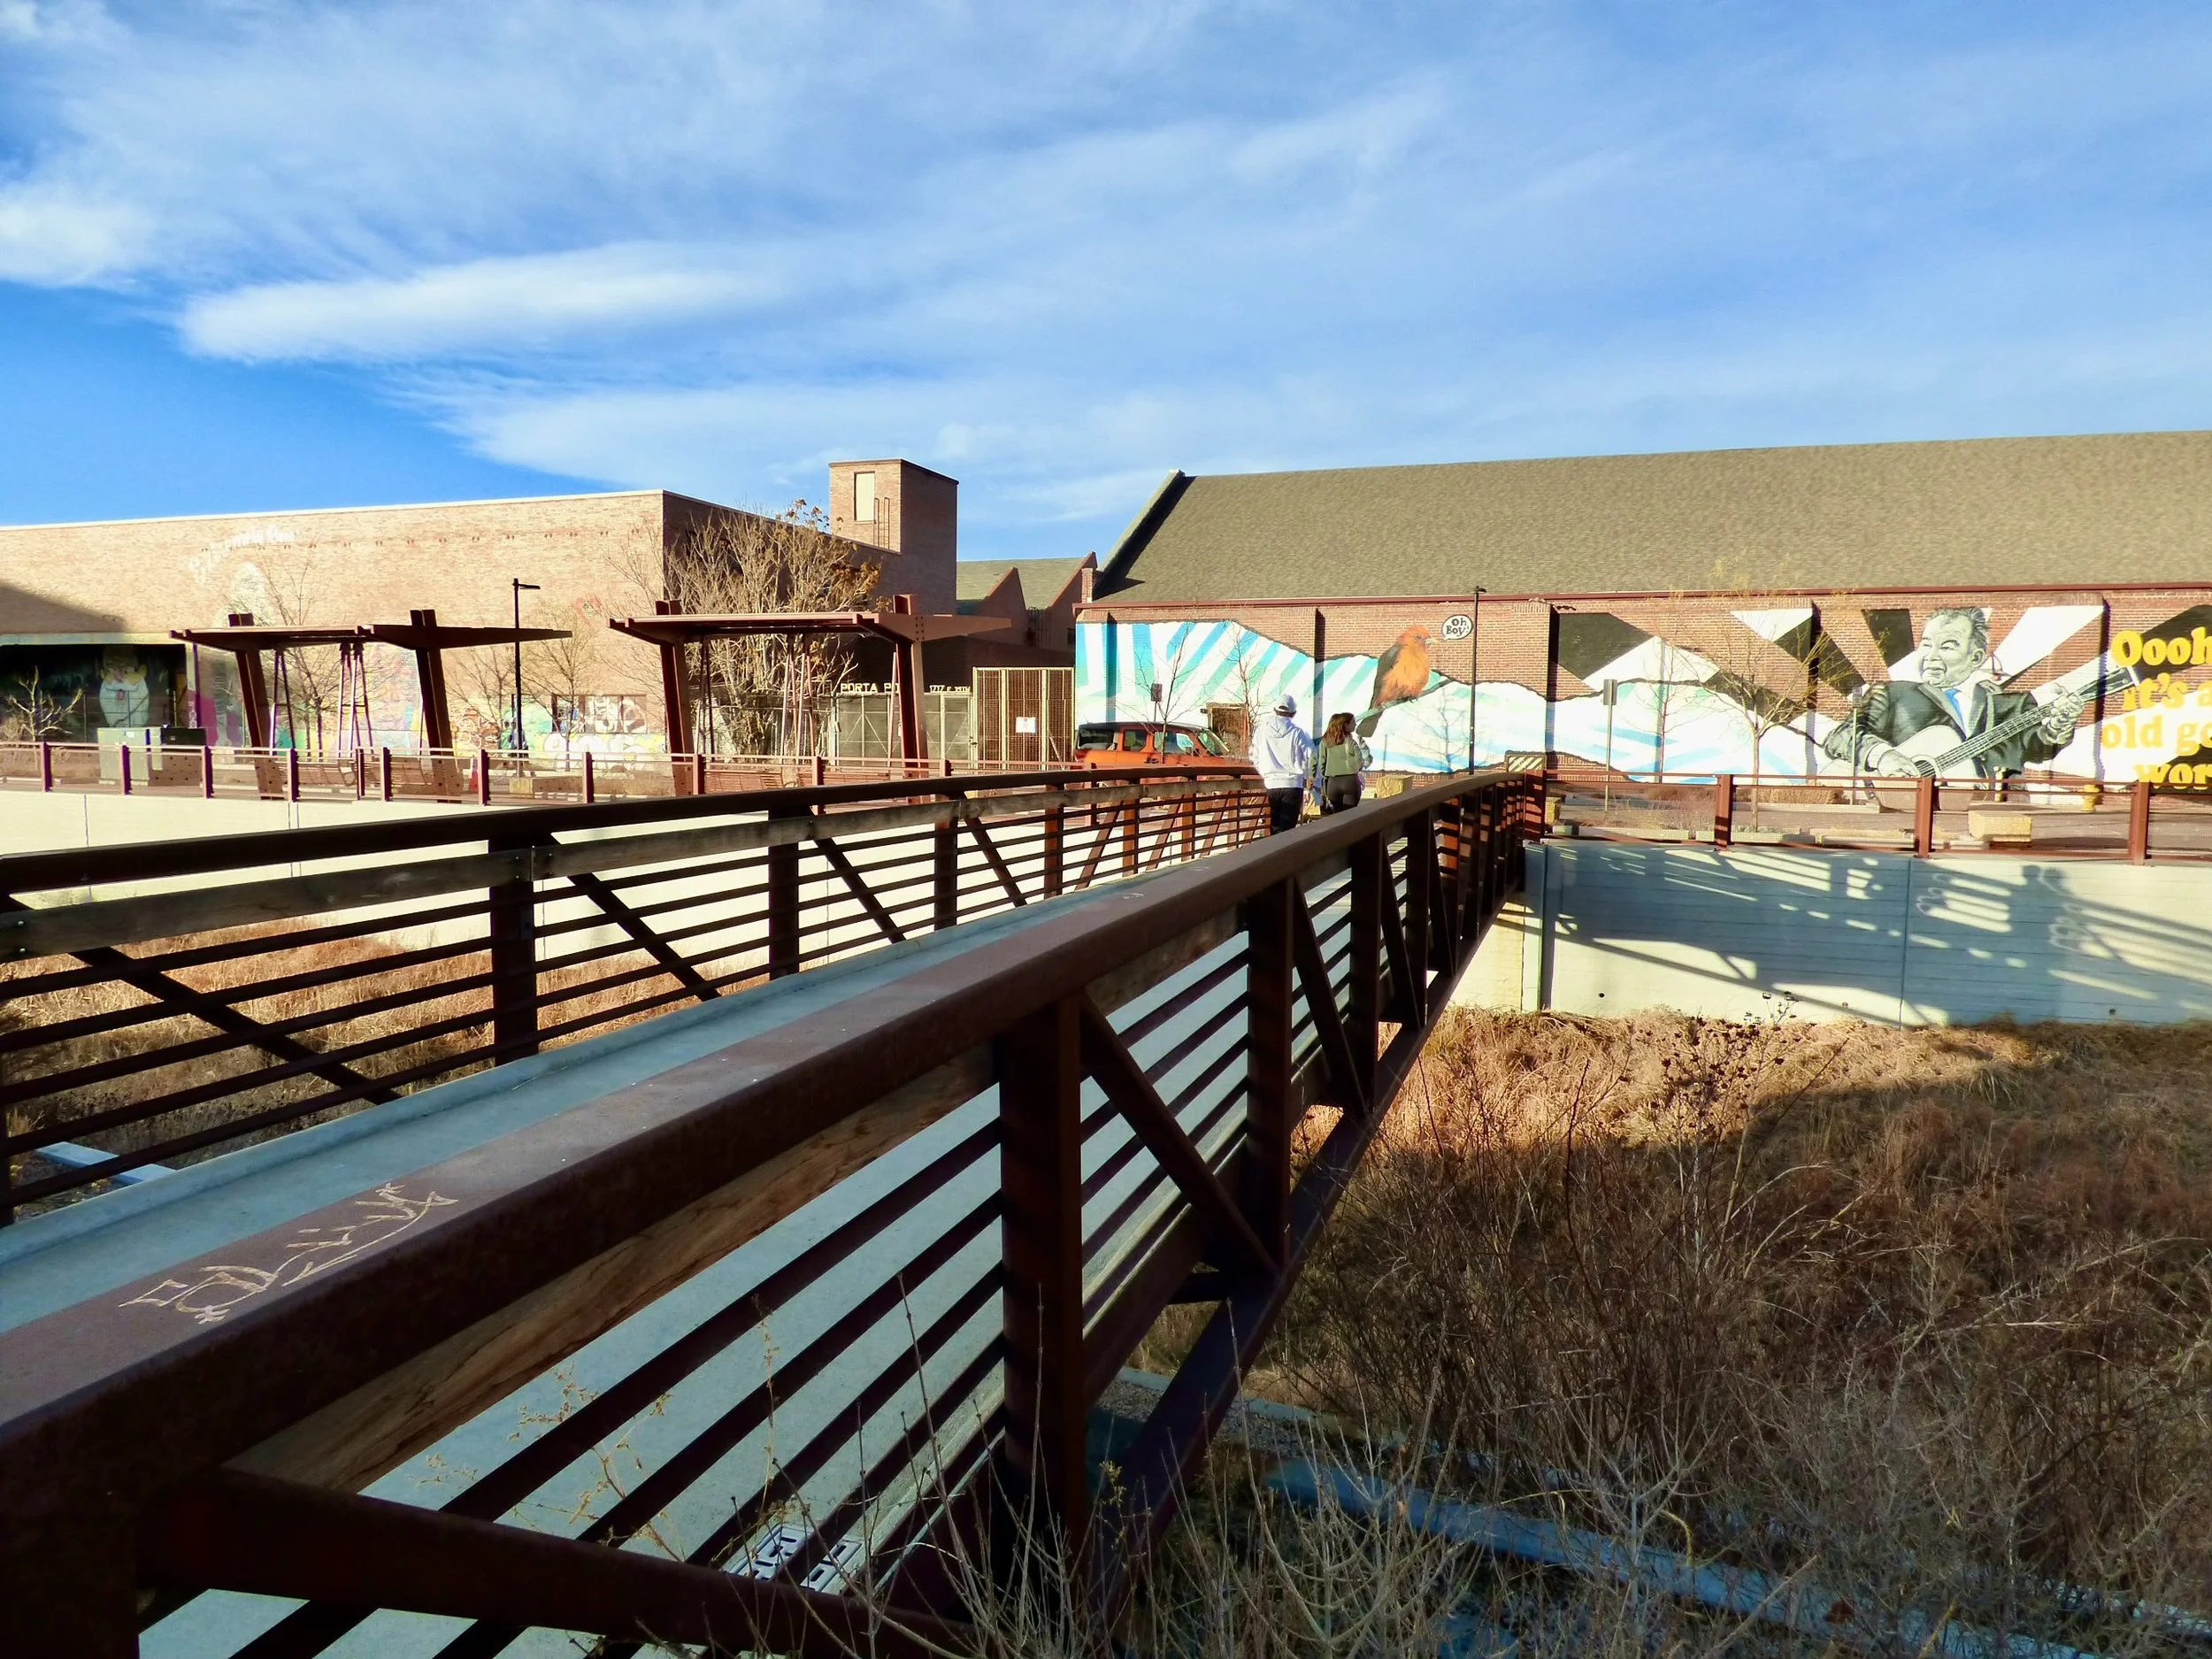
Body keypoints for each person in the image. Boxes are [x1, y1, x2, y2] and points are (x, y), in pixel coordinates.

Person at [1822, 608, 2089, 780]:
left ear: (1975, 658)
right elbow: (1841, 737)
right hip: (1904, 811)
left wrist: (2058, 728)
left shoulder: (2011, 704)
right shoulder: (1893, 694)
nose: (1932, 657)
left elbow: (2037, 747)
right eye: (1926, 645)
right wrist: (1884, 755)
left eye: (1947, 647)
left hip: (1990, 811)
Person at [1248, 694, 1313, 833]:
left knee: (1275, 824)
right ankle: (1284, 853)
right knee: (1288, 828)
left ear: (1275, 710)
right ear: (1293, 713)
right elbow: (1310, 757)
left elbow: (1254, 755)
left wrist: (1265, 772)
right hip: (1293, 783)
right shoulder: (1298, 732)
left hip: (1271, 783)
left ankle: (1274, 851)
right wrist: (1308, 778)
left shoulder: (1261, 730)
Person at [1313, 711, 1371, 813]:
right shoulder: (1351, 742)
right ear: (1345, 725)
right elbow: (1359, 763)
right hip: (1350, 781)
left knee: (1337, 816)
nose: (1355, 725)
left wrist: (1326, 775)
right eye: (1353, 722)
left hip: (1332, 782)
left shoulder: (1325, 742)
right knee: (1349, 816)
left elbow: (1322, 762)